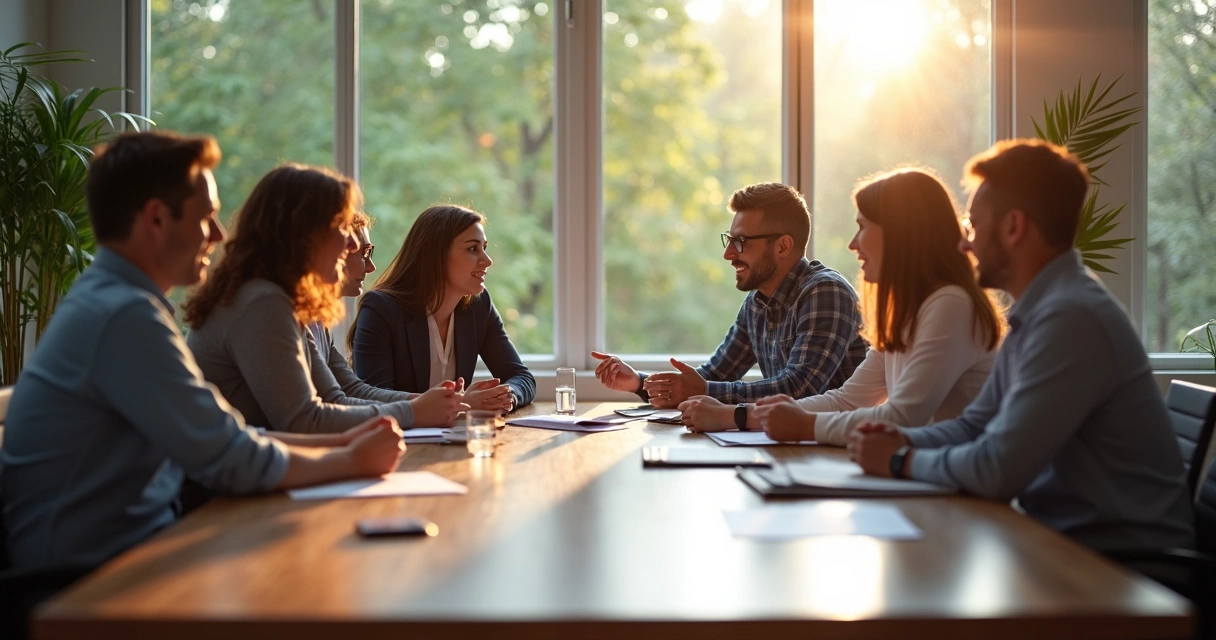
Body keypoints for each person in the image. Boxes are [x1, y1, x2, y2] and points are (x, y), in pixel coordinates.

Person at [0, 132, 405, 572]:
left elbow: (229, 437)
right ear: (156, 219)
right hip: (84, 583)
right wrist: (347, 459)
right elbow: (230, 458)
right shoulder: (123, 315)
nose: (217, 234)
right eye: (206, 217)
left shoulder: (115, 300)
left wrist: (345, 442)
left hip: (131, 554)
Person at [848, 139, 1194, 557]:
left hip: (1123, 567)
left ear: (1014, 227)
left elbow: (997, 469)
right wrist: (898, 436)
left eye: (973, 227)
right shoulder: (1041, 311)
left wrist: (901, 459)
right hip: (1063, 545)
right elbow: (975, 425)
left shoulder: (1071, 318)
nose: (964, 245)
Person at [680, 168, 1003, 443]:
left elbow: (903, 416)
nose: (853, 243)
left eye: (863, 227)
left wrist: (781, 422)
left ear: (900, 235)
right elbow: (848, 400)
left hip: (958, 494)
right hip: (922, 478)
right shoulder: (907, 312)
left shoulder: (950, 305)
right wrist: (736, 416)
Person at [185, 165, 466, 433]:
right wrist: (415, 411)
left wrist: (431, 403)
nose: (352, 245)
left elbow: (340, 393)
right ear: (303, 234)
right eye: (341, 229)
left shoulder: (282, 301)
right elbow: (305, 420)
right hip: (231, 482)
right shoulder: (261, 303)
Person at [592, 182, 867, 410]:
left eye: (741, 242)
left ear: (783, 246)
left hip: (838, 455)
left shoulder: (826, 292)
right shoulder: (757, 303)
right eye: (730, 240)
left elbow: (799, 389)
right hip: (792, 447)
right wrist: (639, 382)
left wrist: (705, 389)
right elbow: (713, 376)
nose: (728, 254)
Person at [350, 204, 536, 411]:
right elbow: (373, 398)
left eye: (484, 248)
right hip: (398, 440)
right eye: (473, 248)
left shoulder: (478, 307)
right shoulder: (380, 310)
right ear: (436, 254)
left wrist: (506, 395)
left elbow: (521, 377)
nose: (487, 260)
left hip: (453, 439)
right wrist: (461, 403)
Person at [305, 211, 418, 406]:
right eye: (364, 253)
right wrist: (415, 409)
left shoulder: (318, 319)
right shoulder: (276, 309)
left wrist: (427, 401)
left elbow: (351, 388)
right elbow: (330, 403)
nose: (371, 266)